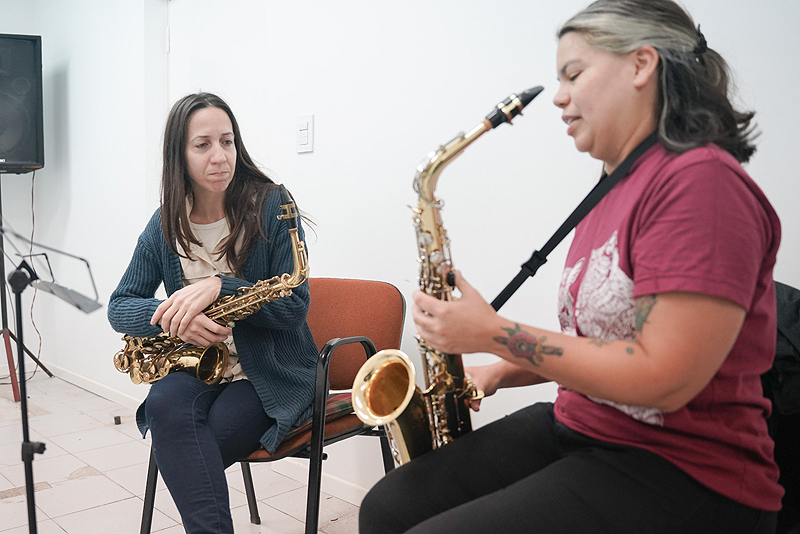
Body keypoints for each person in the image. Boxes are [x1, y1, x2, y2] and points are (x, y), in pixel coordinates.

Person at [359, 1, 782, 533]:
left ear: (641, 64)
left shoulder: (702, 184)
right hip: (584, 426)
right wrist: (498, 371)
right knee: (387, 509)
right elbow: (605, 342)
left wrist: (493, 334)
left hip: (684, 468)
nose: (559, 96)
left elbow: (663, 377)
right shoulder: (614, 185)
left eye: (574, 74)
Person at [108, 92, 317, 533]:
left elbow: (295, 307)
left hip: (269, 373)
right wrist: (174, 315)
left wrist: (222, 285)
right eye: (202, 145)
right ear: (179, 156)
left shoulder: (273, 206)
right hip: (198, 365)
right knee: (163, 405)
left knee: (189, 451)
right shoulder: (165, 223)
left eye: (227, 141)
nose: (220, 156)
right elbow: (120, 306)